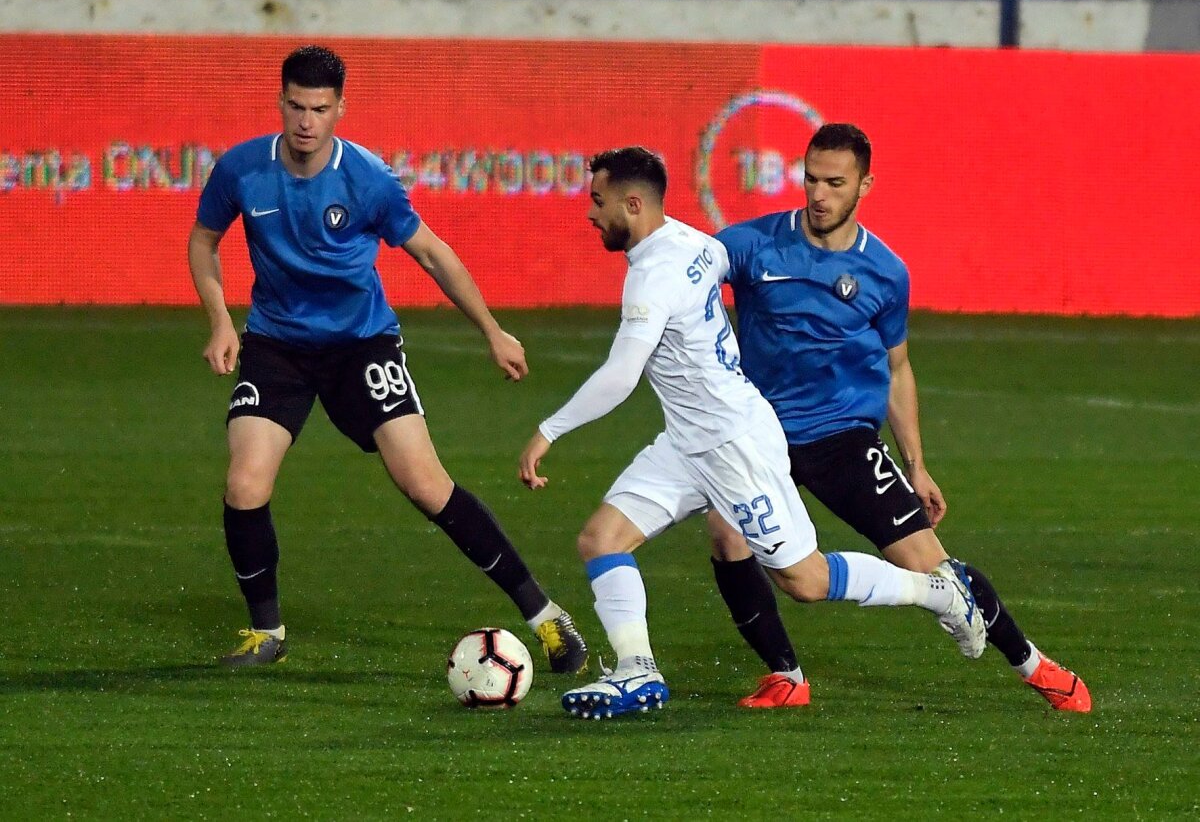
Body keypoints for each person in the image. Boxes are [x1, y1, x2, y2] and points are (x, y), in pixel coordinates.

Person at [518, 146, 985, 720]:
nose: (590, 213)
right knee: (600, 541)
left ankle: (935, 591)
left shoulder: (655, 276)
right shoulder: (695, 244)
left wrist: (548, 431)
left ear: (632, 204)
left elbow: (620, 375)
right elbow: (721, 270)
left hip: (734, 443)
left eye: (598, 201)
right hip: (689, 438)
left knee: (806, 580)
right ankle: (638, 672)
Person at [187, 44, 586, 673]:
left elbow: (431, 252)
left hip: (361, 345)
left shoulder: (368, 179)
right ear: (280, 101)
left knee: (426, 486)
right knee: (244, 483)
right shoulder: (241, 169)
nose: (306, 121)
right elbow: (205, 240)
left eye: (320, 108)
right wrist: (219, 321)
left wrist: (492, 330)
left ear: (340, 109)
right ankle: (266, 632)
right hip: (277, 346)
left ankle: (544, 616)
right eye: (296, 105)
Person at [708, 122, 1090, 712]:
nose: (818, 194)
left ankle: (1035, 665)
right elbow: (688, 273)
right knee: (726, 536)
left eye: (835, 183)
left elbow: (899, 368)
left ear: (865, 184)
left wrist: (918, 466)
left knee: (933, 565)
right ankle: (786, 675)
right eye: (810, 179)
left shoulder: (885, 272)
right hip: (760, 438)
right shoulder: (752, 245)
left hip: (843, 439)